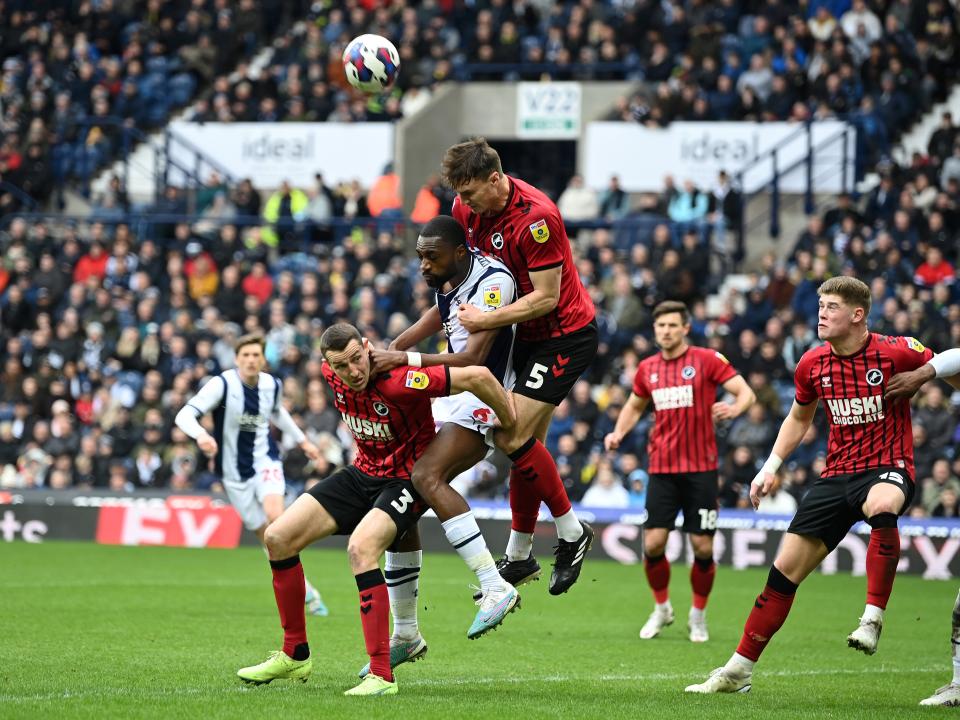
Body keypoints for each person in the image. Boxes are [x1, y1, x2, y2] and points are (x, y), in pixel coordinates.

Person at [686, 277, 960, 694]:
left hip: (888, 465)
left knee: (882, 505)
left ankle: (872, 617)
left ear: (857, 314)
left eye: (831, 307)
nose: (822, 314)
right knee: (782, 575)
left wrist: (923, 373)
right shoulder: (812, 364)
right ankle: (738, 670)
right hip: (836, 476)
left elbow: (953, 358)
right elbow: (799, 418)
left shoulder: (893, 351)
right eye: (820, 306)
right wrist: (770, 466)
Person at [235, 323, 518, 697]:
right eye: (341, 366)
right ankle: (294, 654)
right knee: (277, 538)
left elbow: (476, 374)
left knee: (361, 549)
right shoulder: (330, 373)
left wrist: (510, 419)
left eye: (357, 359)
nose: (354, 371)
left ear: (367, 347)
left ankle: (382, 675)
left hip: (406, 481)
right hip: (363, 472)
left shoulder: (401, 380)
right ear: (327, 367)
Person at [442, 137, 597, 596]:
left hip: (564, 336)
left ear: (495, 179)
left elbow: (547, 297)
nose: (463, 203)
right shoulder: (466, 210)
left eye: (469, 193)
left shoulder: (538, 217)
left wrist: (487, 319)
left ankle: (572, 532)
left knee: (511, 434)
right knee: (526, 451)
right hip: (522, 338)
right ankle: (519, 556)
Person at [371, 216, 520, 647]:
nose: (422, 265)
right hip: (451, 392)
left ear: (459, 252)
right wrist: (394, 346)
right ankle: (404, 633)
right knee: (402, 498)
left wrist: (405, 360)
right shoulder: (447, 276)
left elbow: (474, 356)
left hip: (484, 392)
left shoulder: (494, 283)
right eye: (419, 256)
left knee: (425, 477)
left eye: (430, 257)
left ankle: (495, 586)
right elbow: (439, 316)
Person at [604, 301, 755, 643]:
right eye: (660, 326)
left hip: (701, 470)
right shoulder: (647, 368)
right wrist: (618, 433)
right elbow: (633, 406)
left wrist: (733, 409)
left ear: (686, 328)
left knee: (702, 547)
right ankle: (662, 609)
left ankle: (698, 616)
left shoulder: (707, 360)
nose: (666, 331)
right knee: (654, 543)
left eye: (672, 325)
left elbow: (746, 392)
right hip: (662, 468)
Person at [174, 333, 328, 617]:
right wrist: (201, 436)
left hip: (265, 460)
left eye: (256, 355)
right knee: (267, 538)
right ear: (236, 359)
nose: (251, 360)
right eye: (245, 355)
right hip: (233, 472)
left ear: (263, 359)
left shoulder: (272, 385)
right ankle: (306, 591)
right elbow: (184, 415)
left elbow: (278, 413)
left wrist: (303, 441)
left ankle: (297, 594)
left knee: (276, 520)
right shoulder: (221, 384)